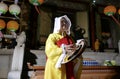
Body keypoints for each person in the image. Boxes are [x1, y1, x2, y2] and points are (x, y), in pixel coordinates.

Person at [44, 15, 83, 79]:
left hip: (68, 64)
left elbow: (73, 48)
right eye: (62, 22)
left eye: (65, 22)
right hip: (56, 66)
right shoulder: (52, 36)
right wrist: (63, 49)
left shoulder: (69, 38)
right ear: (57, 24)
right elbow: (49, 50)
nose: (64, 23)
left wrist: (78, 50)